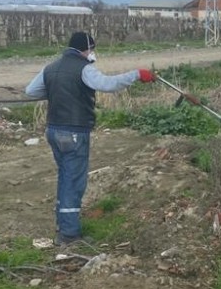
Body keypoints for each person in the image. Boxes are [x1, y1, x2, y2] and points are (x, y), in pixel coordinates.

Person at [25, 31, 156, 245]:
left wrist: (59, 91)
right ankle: (69, 235)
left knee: (65, 177)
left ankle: (63, 225)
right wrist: (137, 75)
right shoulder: (84, 68)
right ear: (86, 49)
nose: (93, 53)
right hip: (74, 132)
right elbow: (107, 84)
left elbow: (31, 91)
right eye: (92, 49)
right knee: (74, 181)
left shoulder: (50, 68)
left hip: (53, 130)